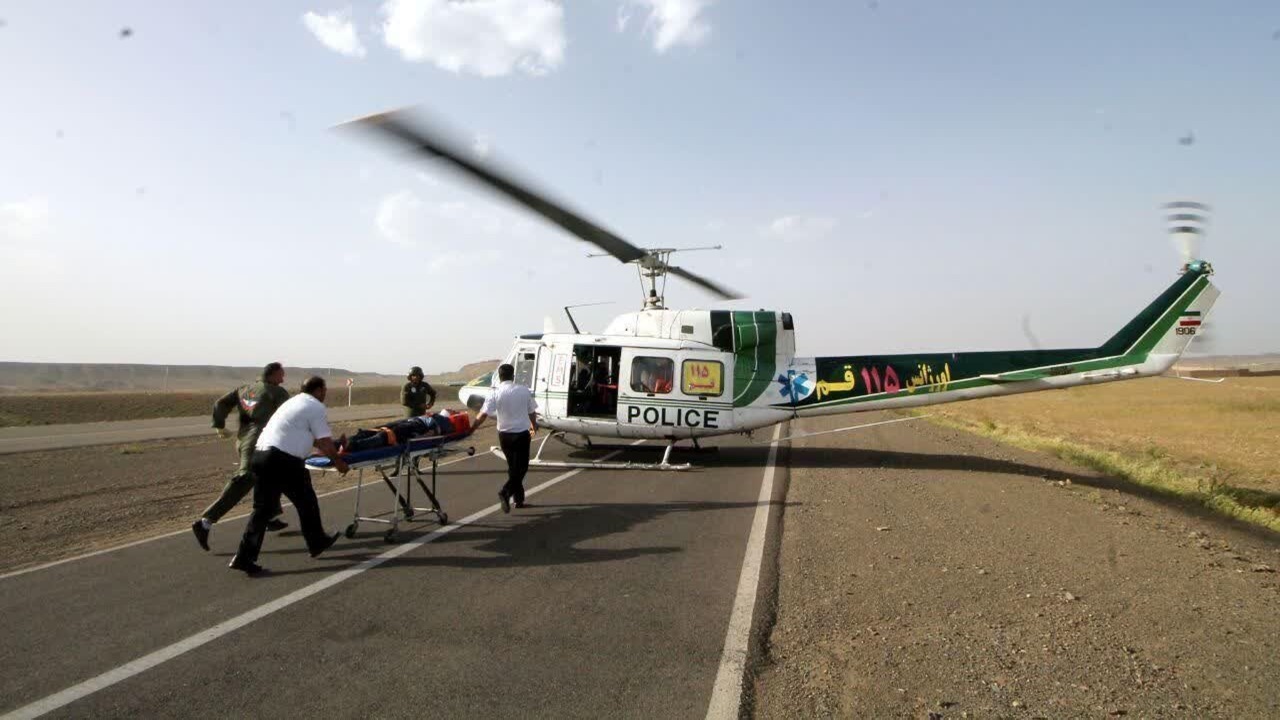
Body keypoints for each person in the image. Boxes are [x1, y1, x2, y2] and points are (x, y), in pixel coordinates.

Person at [228, 376, 347, 575]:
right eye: (324, 390)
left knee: (262, 510)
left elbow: (308, 437)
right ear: (318, 390)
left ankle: (243, 556)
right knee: (306, 501)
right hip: (283, 460)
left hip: (261, 456)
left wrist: (333, 446)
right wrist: (338, 461)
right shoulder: (315, 406)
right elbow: (323, 441)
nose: (325, 394)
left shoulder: (292, 403)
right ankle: (317, 541)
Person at [193, 362, 290, 551]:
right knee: (245, 477)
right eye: (281, 375)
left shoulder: (244, 389)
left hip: (243, 440)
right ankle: (205, 521)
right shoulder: (276, 392)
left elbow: (221, 403)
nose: (283, 379)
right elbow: (290, 414)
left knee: (270, 475)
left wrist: (219, 424)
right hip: (258, 441)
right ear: (272, 375)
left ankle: (268, 515)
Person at [471, 363, 537, 513]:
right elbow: (532, 412)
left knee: (513, 468)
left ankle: (519, 500)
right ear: (513, 376)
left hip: (504, 435)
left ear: (499, 377)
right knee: (522, 467)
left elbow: (483, 414)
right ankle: (505, 492)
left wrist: (472, 428)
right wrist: (534, 425)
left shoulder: (494, 392)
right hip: (521, 434)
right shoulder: (523, 390)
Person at [337, 410, 458, 454]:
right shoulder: (439, 419)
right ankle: (344, 445)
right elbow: (430, 433)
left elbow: (430, 434)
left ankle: (344, 445)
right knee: (379, 433)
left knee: (380, 433)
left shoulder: (436, 419)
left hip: (410, 425)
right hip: (410, 425)